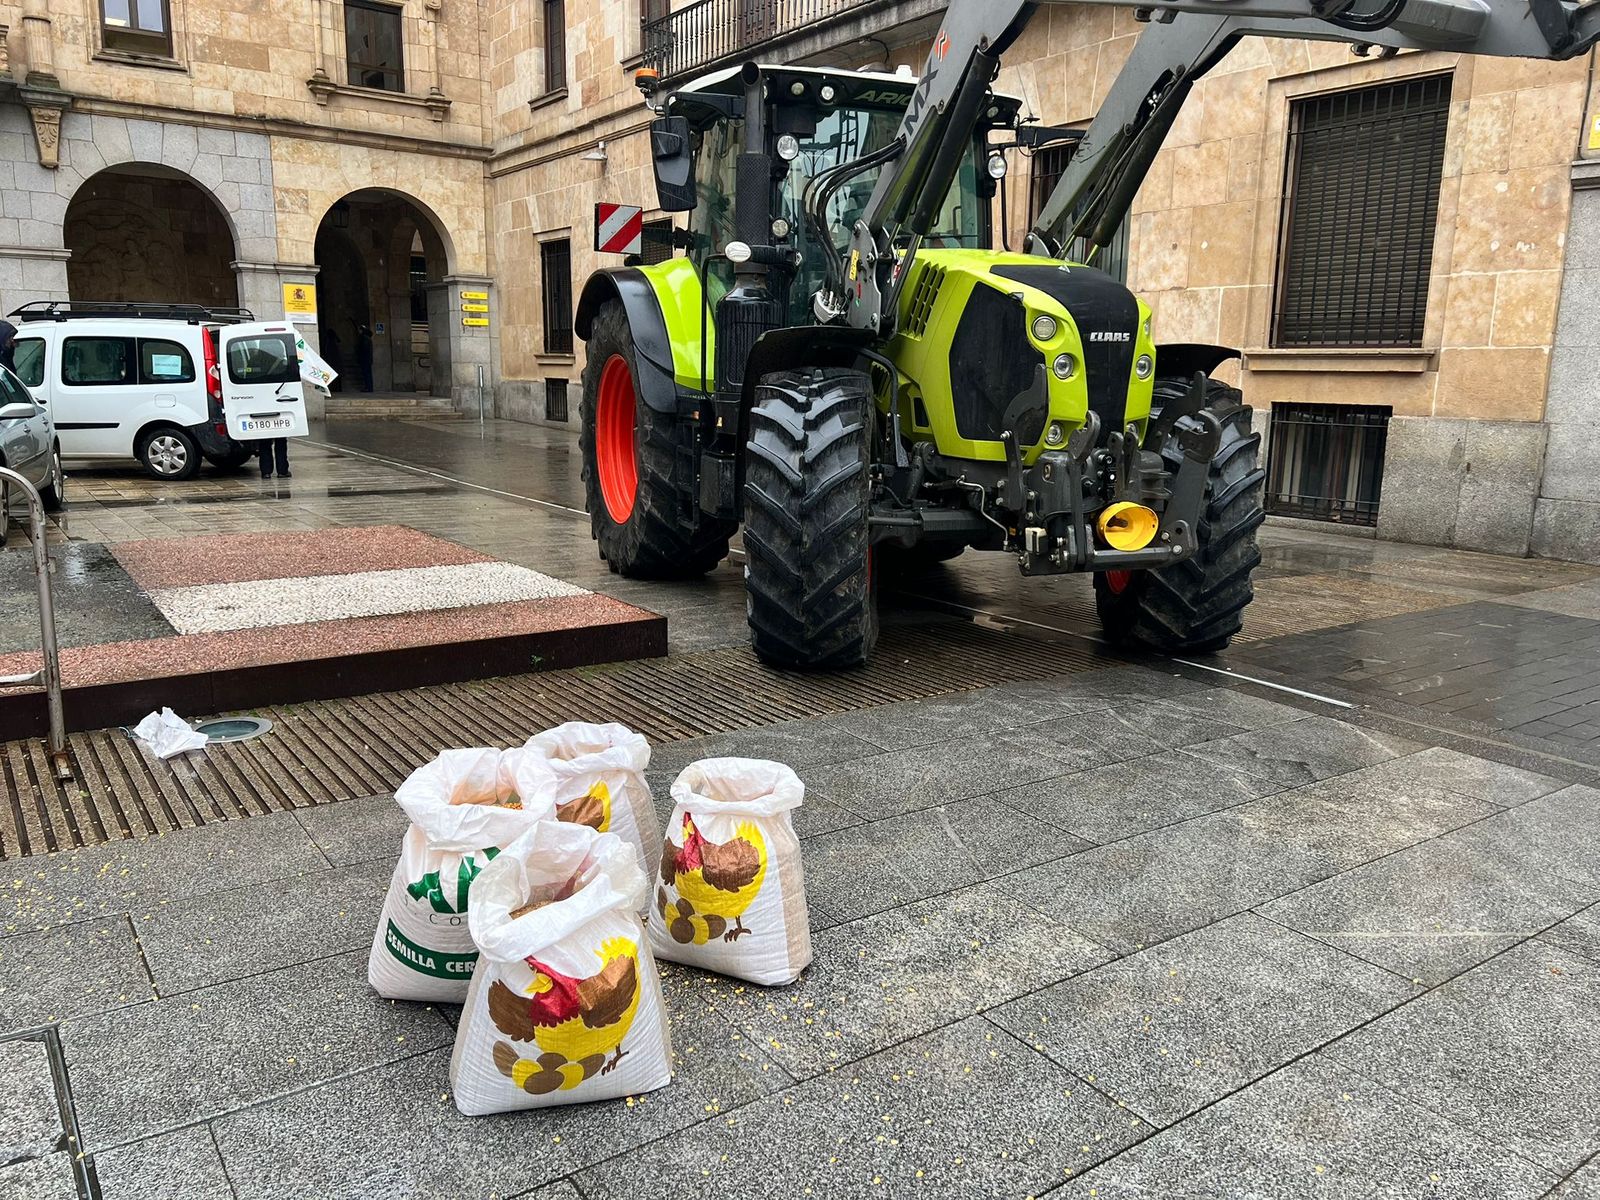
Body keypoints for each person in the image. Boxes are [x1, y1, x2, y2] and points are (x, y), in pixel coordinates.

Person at [356, 323, 374, 393]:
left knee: (366, 374)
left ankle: (368, 388)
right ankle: (369, 387)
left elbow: (364, 349)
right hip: (368, 359)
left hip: (365, 359)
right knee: (368, 374)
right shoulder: (368, 338)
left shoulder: (364, 338)